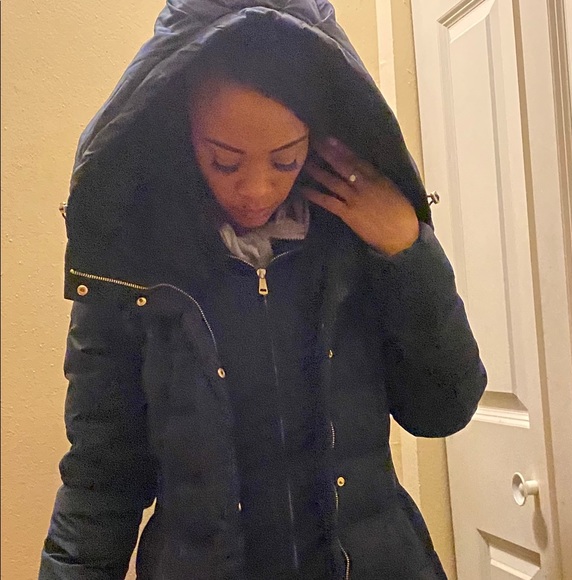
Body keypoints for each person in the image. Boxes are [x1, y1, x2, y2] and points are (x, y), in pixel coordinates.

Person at [40, 1, 487, 579]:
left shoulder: (356, 245)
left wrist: (408, 250)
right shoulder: (129, 266)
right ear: (183, 132)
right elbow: (101, 479)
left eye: (285, 160)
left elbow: (444, 409)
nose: (256, 190)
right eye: (224, 162)